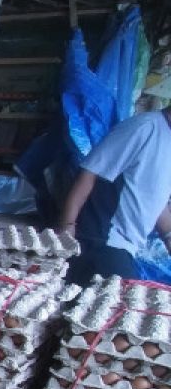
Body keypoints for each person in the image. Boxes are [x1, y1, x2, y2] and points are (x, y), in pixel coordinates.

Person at [60, 105, 171, 285]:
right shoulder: (144, 128)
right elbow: (89, 173)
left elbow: (156, 200)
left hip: (126, 248)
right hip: (102, 240)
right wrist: (67, 225)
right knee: (119, 307)